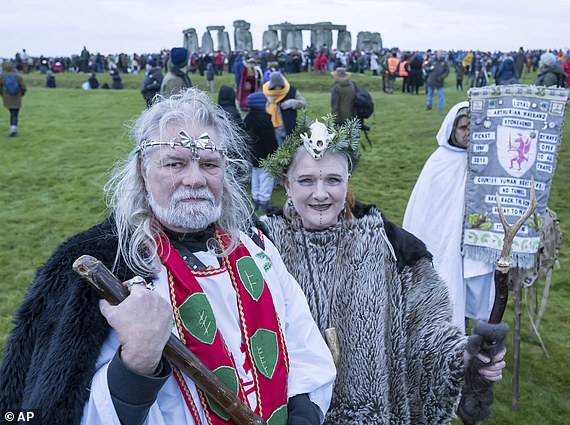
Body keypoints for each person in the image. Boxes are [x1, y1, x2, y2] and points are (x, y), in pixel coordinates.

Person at [0, 87, 336, 424]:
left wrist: (303, 414)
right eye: (174, 163)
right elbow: (54, 407)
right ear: (144, 170)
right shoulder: (102, 267)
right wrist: (136, 362)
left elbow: (300, 337)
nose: (194, 179)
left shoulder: (254, 246)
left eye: (209, 164)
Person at [259, 115, 507, 424]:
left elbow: (428, 330)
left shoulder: (393, 247)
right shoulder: (258, 246)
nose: (320, 194)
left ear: (347, 179)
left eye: (333, 180)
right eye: (306, 180)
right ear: (287, 183)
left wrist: (466, 357)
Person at [403, 102, 496, 332]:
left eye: (474, 127)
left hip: (473, 239)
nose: (469, 133)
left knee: (471, 289)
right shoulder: (438, 163)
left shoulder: (485, 162)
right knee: (448, 285)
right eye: (464, 127)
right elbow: (425, 212)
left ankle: (471, 335)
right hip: (443, 241)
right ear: (452, 130)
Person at [244, 91, 278, 212]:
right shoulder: (264, 119)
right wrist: (275, 153)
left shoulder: (248, 118)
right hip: (266, 155)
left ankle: (256, 200)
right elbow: (270, 139)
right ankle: (264, 203)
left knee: (256, 177)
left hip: (253, 155)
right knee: (266, 178)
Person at [262, 71, 306, 146]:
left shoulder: (292, 91)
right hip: (274, 129)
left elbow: (303, 103)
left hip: (289, 126)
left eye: (280, 86)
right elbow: (263, 110)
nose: (278, 89)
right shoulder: (267, 94)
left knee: (291, 149)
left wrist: (292, 103)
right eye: (275, 87)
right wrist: (269, 102)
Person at [1, 61, 27, 136]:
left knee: (11, 112)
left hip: (7, 97)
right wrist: (22, 93)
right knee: (15, 114)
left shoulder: (2, 76)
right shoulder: (17, 76)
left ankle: (12, 128)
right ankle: (13, 129)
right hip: (16, 96)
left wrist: (2, 94)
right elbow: (23, 87)